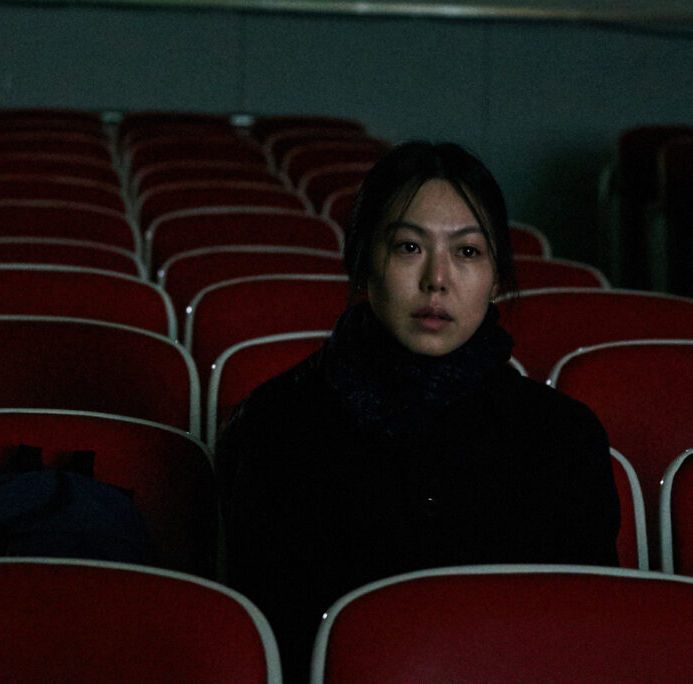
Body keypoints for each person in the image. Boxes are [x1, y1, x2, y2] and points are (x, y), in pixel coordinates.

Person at [215, 141, 620, 682]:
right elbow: (269, 642)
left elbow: (584, 642)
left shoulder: (562, 437)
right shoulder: (277, 423)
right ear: (363, 265)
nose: (437, 279)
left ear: (497, 278)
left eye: (468, 252)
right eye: (409, 247)